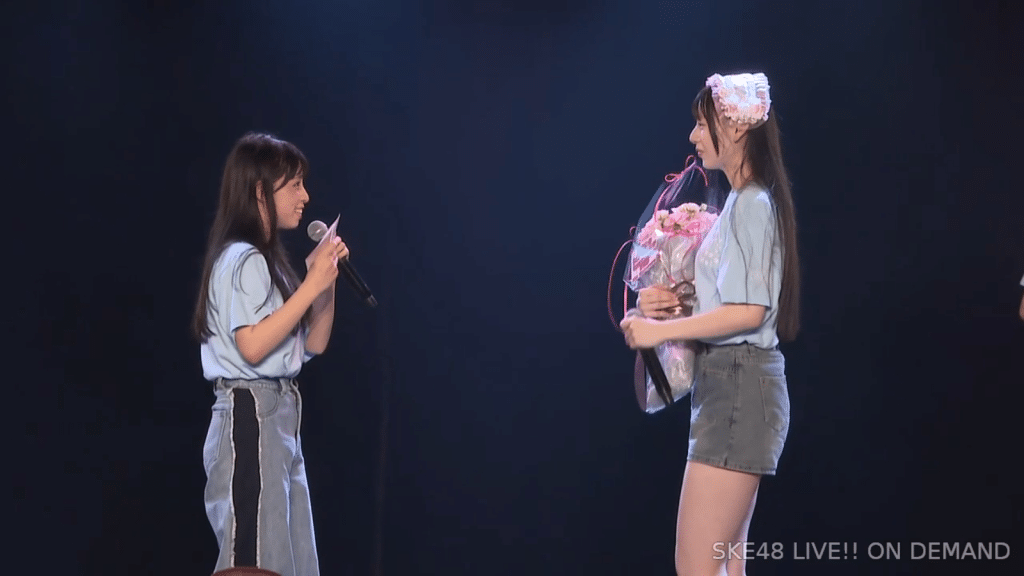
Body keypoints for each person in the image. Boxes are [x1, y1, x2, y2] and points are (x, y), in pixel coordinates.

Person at [620, 72, 800, 576]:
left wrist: (661, 332)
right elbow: (728, 301)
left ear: (736, 127)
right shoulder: (742, 203)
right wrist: (669, 304)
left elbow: (750, 312)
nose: (694, 136)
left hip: (740, 388)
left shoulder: (753, 204)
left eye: (703, 124)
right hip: (731, 387)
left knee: (698, 567)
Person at [191, 132, 348, 576]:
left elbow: (313, 344)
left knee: (287, 561)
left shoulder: (268, 262)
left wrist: (324, 283)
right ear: (260, 191)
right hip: (250, 413)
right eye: (294, 184)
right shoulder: (242, 259)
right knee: (254, 561)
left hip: (279, 419)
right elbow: (253, 345)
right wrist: (310, 286)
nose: (305, 196)